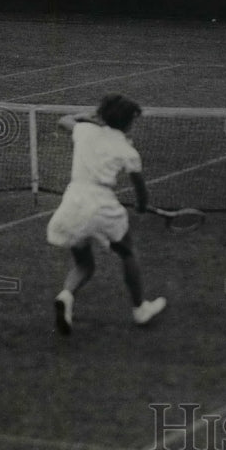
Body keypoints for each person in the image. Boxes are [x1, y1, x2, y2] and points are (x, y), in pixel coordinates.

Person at [46, 93, 166, 335]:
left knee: (83, 263)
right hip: (102, 206)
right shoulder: (127, 150)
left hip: (73, 203)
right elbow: (140, 190)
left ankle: (66, 295)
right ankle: (140, 309)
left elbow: (64, 120)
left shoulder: (84, 131)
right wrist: (142, 207)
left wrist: (89, 118)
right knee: (127, 252)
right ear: (128, 123)